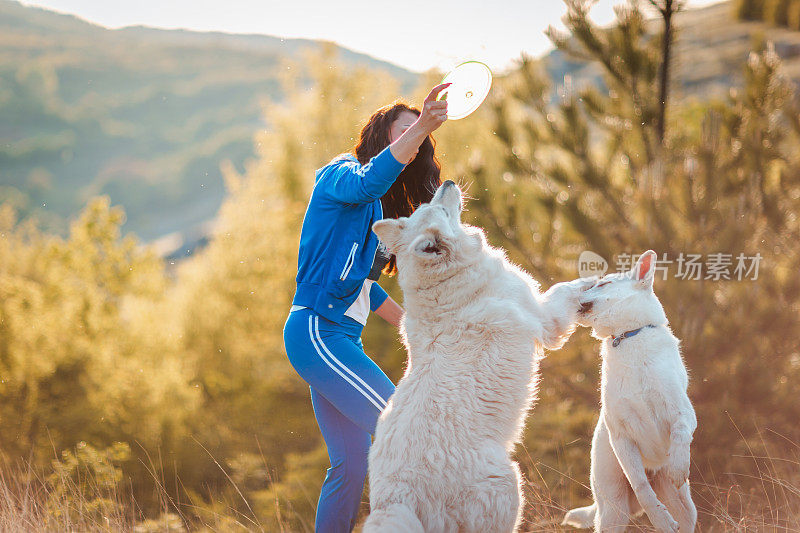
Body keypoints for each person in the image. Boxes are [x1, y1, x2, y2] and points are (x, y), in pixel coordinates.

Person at [282, 83, 450, 533]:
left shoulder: (377, 209)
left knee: (350, 466)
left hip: (339, 339)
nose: (415, 140)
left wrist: (418, 326)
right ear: (381, 135)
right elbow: (369, 179)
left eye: (420, 137)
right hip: (317, 330)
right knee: (402, 431)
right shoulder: (340, 175)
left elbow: (366, 290)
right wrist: (425, 125)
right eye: (407, 130)